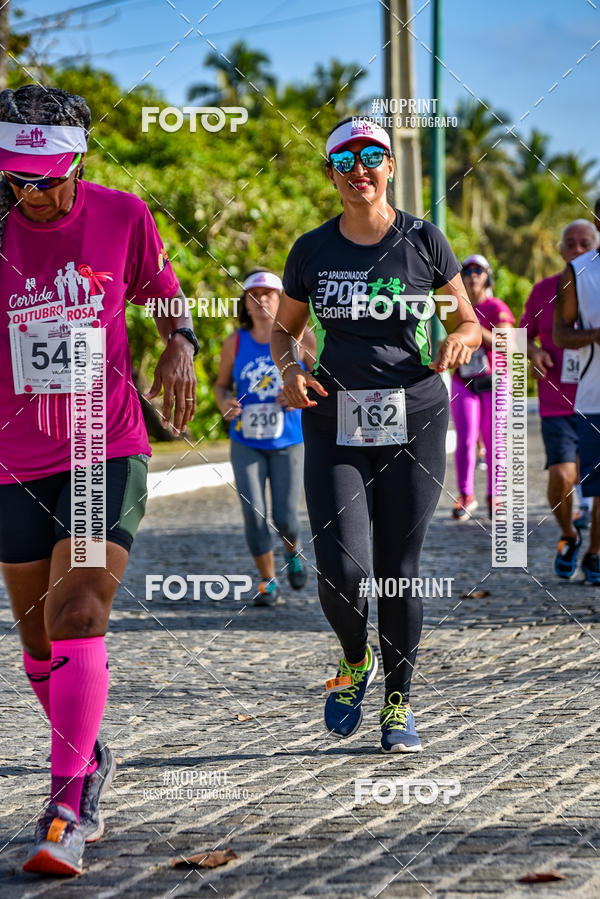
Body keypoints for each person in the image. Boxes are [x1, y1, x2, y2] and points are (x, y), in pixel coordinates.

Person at [0, 85, 198, 875]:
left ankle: (68, 804)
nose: (34, 194)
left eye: (49, 178)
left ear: (79, 161)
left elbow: (164, 293)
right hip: (12, 459)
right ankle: (90, 754)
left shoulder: (123, 215)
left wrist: (179, 342)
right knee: (37, 638)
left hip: (101, 446)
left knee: (80, 606)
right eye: (18, 179)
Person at [271, 116, 481, 752]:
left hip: (415, 416)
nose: (359, 169)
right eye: (345, 159)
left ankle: (399, 702)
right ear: (331, 172)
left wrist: (458, 340)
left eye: (372, 156)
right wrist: (288, 370)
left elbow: (468, 325)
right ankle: (354, 658)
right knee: (341, 567)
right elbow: (284, 330)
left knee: (398, 569)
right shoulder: (311, 250)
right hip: (335, 417)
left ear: (390, 165)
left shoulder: (423, 240)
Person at [215, 268, 314, 604]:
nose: (261, 301)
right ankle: (269, 582)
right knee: (253, 513)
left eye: (268, 294)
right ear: (245, 303)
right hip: (246, 441)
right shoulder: (235, 341)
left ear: (281, 298)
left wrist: (296, 392)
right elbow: (221, 385)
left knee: (285, 517)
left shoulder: (302, 338)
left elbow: (319, 381)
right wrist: (224, 403)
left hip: (289, 439)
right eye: (253, 296)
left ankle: (293, 549)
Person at [520, 219, 599, 577]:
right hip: (558, 401)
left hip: (595, 399)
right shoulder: (544, 290)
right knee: (563, 476)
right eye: (571, 242)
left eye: (585, 243)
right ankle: (569, 534)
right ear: (561, 250)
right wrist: (533, 353)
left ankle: (595, 553)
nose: (577, 248)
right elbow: (521, 334)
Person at [450, 254, 514, 519]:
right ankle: (466, 496)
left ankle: (494, 497)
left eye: (478, 270)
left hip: (495, 380)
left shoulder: (496, 306)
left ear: (487, 276)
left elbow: (508, 345)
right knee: (465, 440)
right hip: (464, 379)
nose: (473, 275)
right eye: (467, 271)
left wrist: (474, 330)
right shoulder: (455, 306)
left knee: (494, 439)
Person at [554, 233, 600, 584]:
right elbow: (560, 334)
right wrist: (595, 334)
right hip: (593, 397)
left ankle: (594, 551)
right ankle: (590, 551)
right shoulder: (579, 272)